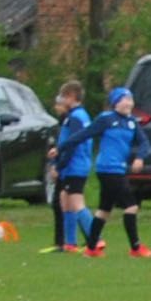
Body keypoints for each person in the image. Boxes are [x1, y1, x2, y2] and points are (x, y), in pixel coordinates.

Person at [81, 86, 151, 258]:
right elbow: (84, 135)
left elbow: (144, 143)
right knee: (131, 206)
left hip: (118, 169)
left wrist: (140, 157)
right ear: (115, 103)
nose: (129, 103)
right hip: (108, 169)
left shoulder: (131, 122)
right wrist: (61, 149)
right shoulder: (106, 119)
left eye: (130, 99)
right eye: (125, 99)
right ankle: (136, 248)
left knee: (104, 210)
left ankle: (91, 248)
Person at [47, 81, 93, 253]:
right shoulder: (79, 116)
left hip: (75, 166)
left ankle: (96, 238)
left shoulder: (75, 118)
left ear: (72, 97)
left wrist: (59, 165)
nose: (60, 101)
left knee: (76, 202)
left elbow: (72, 144)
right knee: (64, 199)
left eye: (63, 97)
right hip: (76, 165)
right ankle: (70, 243)